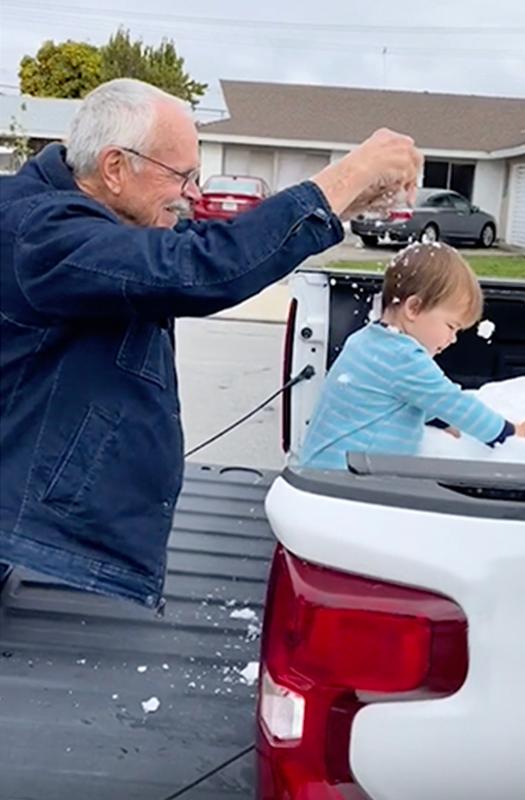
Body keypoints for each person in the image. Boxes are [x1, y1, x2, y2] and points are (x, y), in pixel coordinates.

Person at [0, 78, 423, 610]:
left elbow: (198, 250)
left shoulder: (77, 217)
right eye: (183, 176)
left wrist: (342, 202)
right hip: (24, 529)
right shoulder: (39, 230)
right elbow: (196, 268)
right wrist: (344, 175)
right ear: (114, 168)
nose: (193, 194)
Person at [295, 242, 525, 470]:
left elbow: (398, 400)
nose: (453, 339)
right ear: (414, 308)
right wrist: (508, 432)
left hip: (322, 470)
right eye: (451, 326)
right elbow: (451, 401)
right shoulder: (402, 357)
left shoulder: (368, 341)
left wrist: (438, 420)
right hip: (345, 482)